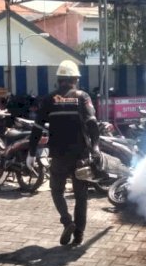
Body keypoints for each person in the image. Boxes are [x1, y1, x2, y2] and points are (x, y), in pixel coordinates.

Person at [27, 60, 100, 247]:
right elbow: (92, 123)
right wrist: (96, 147)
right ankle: (78, 235)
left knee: (56, 190)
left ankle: (67, 221)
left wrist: (31, 153)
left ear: (59, 80)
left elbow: (36, 128)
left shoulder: (49, 99)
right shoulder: (83, 97)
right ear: (75, 79)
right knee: (81, 196)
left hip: (59, 155)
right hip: (81, 156)